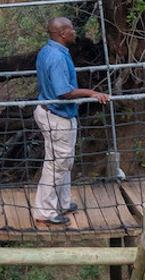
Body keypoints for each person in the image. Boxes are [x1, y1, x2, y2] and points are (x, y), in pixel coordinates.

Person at [32, 16, 109, 226]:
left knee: (64, 161)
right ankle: (44, 211)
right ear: (62, 34)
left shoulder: (48, 51)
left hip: (55, 113)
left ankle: (62, 202)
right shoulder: (56, 57)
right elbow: (63, 91)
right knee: (56, 164)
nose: (75, 32)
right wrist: (91, 93)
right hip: (57, 115)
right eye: (71, 29)